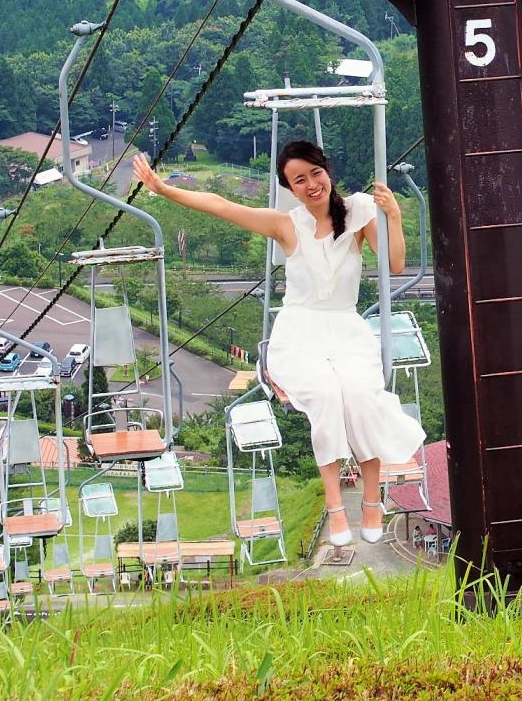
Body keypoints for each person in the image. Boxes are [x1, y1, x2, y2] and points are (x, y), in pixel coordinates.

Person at [132, 141, 424, 547]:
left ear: (327, 171)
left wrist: (393, 216)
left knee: (360, 397)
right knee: (325, 397)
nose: (310, 185)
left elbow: (393, 265)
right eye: (298, 180)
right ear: (290, 188)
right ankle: (336, 507)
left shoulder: (359, 212)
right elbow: (223, 206)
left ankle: (372, 502)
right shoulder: (288, 225)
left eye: (315, 174)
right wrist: (165, 190)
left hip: (345, 328)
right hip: (300, 332)